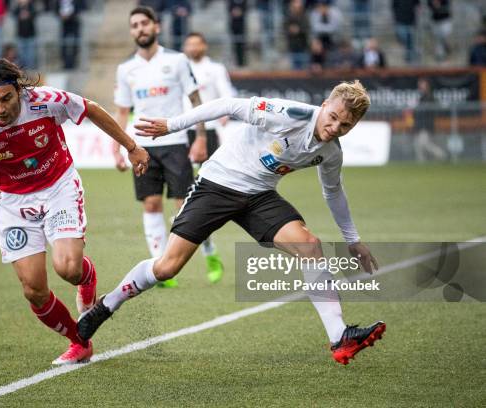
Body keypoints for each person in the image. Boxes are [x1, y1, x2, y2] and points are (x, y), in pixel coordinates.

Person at [78, 80, 387, 365]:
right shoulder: (288, 113)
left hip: (259, 196)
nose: (334, 127)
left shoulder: (331, 153)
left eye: (345, 125)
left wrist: (353, 239)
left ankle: (339, 337)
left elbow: (333, 192)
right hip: (217, 184)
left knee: (310, 246)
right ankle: (105, 306)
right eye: (332, 117)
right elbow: (226, 104)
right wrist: (172, 125)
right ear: (323, 105)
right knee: (166, 268)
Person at [0, 59, 149, 365]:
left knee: (69, 269)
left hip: (58, 188)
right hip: (13, 205)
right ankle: (80, 341)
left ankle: (86, 278)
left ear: (19, 91)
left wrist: (130, 146)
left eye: (6, 98)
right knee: (34, 290)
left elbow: (91, 109)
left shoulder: (46, 101)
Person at [112, 6, 220, 288]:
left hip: (175, 143)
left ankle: (209, 252)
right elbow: (122, 112)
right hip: (141, 147)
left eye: (144, 23)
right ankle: (159, 264)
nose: (140, 29)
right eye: (134, 25)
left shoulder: (178, 61)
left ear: (156, 27)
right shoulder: (126, 69)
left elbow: (196, 101)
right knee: (151, 203)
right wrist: (117, 146)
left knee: (186, 207)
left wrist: (199, 138)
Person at [182, 31, 233, 283]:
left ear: (204, 45)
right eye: (189, 44)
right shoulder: (179, 68)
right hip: (180, 133)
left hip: (209, 132)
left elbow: (227, 94)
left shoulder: (215, 69)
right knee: (183, 195)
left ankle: (210, 251)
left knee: (205, 190)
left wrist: (223, 116)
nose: (193, 47)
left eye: (197, 43)